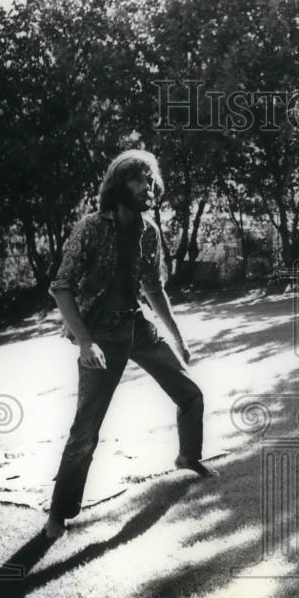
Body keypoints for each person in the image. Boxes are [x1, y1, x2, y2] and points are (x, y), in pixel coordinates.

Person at [44, 149, 216, 540]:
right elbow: (62, 287)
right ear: (120, 185)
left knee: (190, 393)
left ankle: (188, 456)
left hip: (136, 326)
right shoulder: (90, 227)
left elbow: (153, 288)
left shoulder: (149, 231)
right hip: (100, 335)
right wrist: (86, 343)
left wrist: (178, 337)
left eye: (150, 180)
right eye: (139, 180)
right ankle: (59, 513)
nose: (148, 187)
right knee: (86, 431)